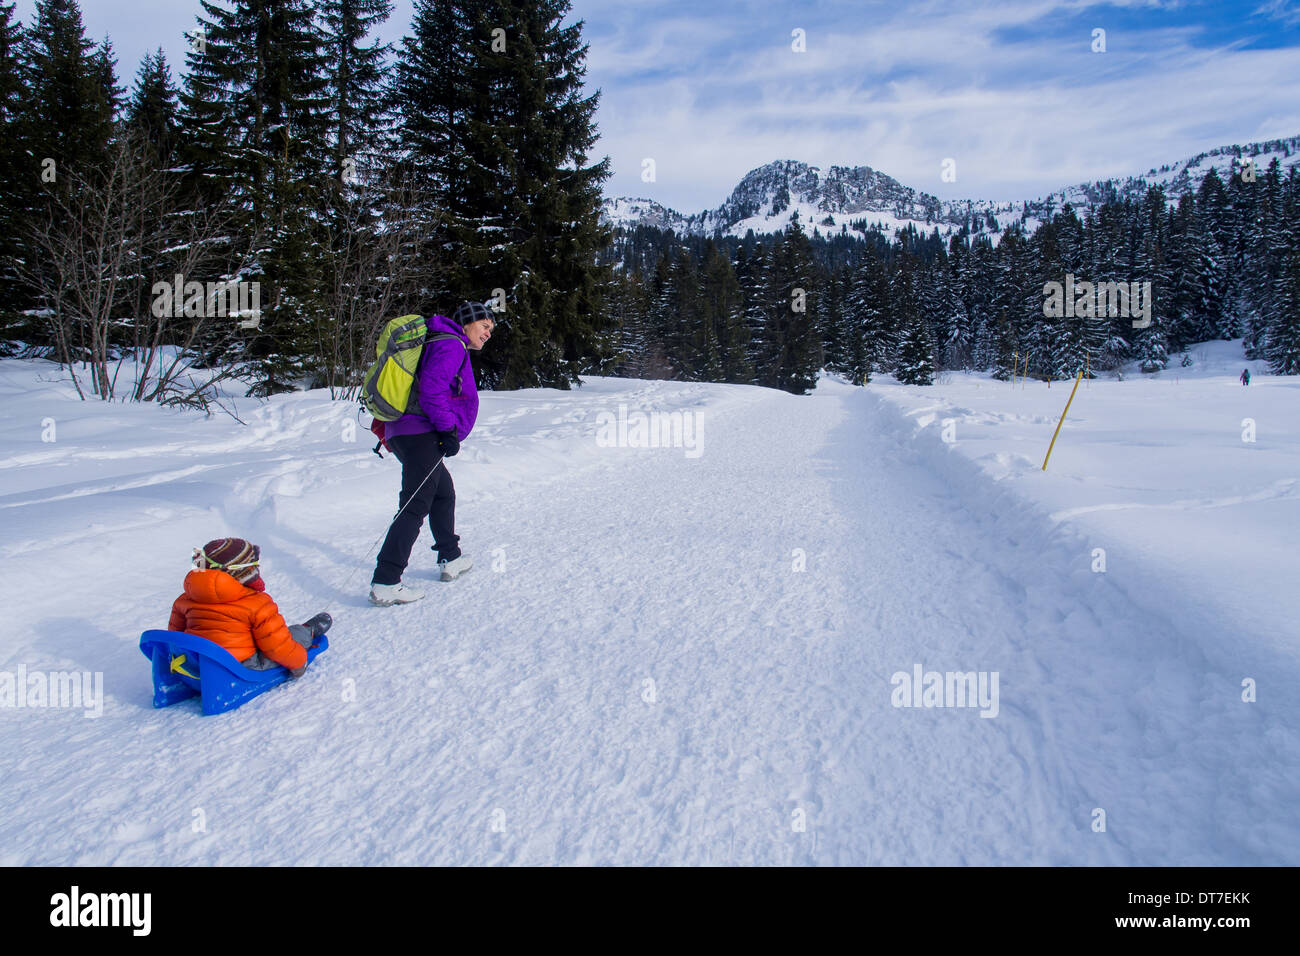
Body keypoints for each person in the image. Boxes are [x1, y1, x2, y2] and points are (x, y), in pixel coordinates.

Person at [369, 301, 492, 606]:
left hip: (405, 431)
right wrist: (448, 429)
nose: (489, 333)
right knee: (414, 504)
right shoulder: (451, 345)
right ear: (466, 323)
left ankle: (450, 557)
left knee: (442, 492)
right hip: (419, 431)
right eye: (485, 326)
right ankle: (386, 579)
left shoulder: (439, 341)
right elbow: (433, 391)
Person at [169, 538, 331, 678]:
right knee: (289, 637)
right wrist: (299, 663)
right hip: (239, 669)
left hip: (194, 668)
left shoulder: (184, 599)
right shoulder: (257, 604)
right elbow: (278, 648)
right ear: (243, 572)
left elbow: (174, 637)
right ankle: (307, 631)